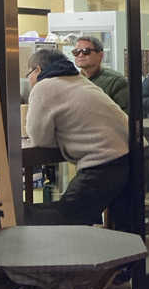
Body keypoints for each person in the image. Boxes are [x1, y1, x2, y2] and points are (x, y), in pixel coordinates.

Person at [24, 48, 131, 231]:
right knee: (121, 226)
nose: (28, 79)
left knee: (65, 216)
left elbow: (39, 139)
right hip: (132, 154)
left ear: (38, 70)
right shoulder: (80, 80)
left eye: (28, 73)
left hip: (105, 162)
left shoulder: (44, 86)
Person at [72, 35, 129, 113]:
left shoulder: (116, 81)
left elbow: (125, 116)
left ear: (100, 55)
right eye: (76, 52)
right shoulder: (72, 80)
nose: (80, 55)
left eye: (86, 51)